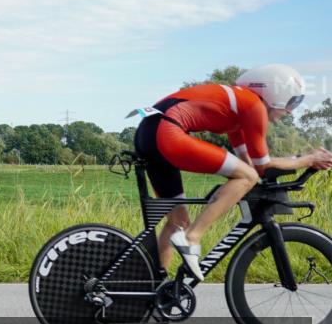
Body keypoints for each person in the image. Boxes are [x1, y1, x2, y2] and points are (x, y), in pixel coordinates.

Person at [133, 64, 332, 280]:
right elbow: (261, 166)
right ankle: (193, 238)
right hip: (167, 132)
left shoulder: (237, 110)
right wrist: (308, 159)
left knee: (177, 222)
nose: (291, 111)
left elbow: (250, 163)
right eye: (292, 101)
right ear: (275, 92)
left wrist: (267, 171)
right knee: (247, 177)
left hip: (149, 132)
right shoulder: (253, 106)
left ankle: (156, 286)